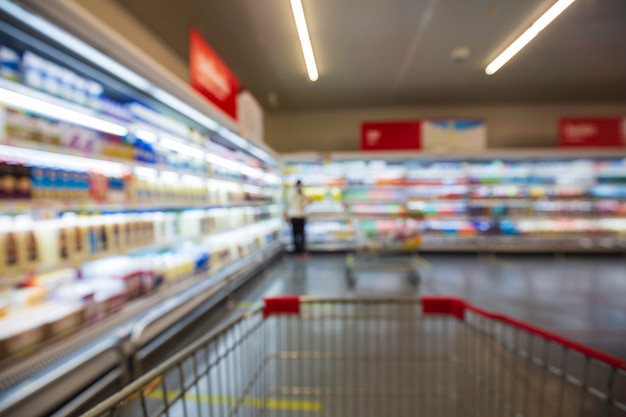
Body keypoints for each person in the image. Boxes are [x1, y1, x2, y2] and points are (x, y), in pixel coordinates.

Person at [286, 180, 310, 259]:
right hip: (299, 216)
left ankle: (298, 252)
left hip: (294, 216)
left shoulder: (293, 194)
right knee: (300, 235)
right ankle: (300, 252)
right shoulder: (299, 194)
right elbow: (306, 203)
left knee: (296, 234)